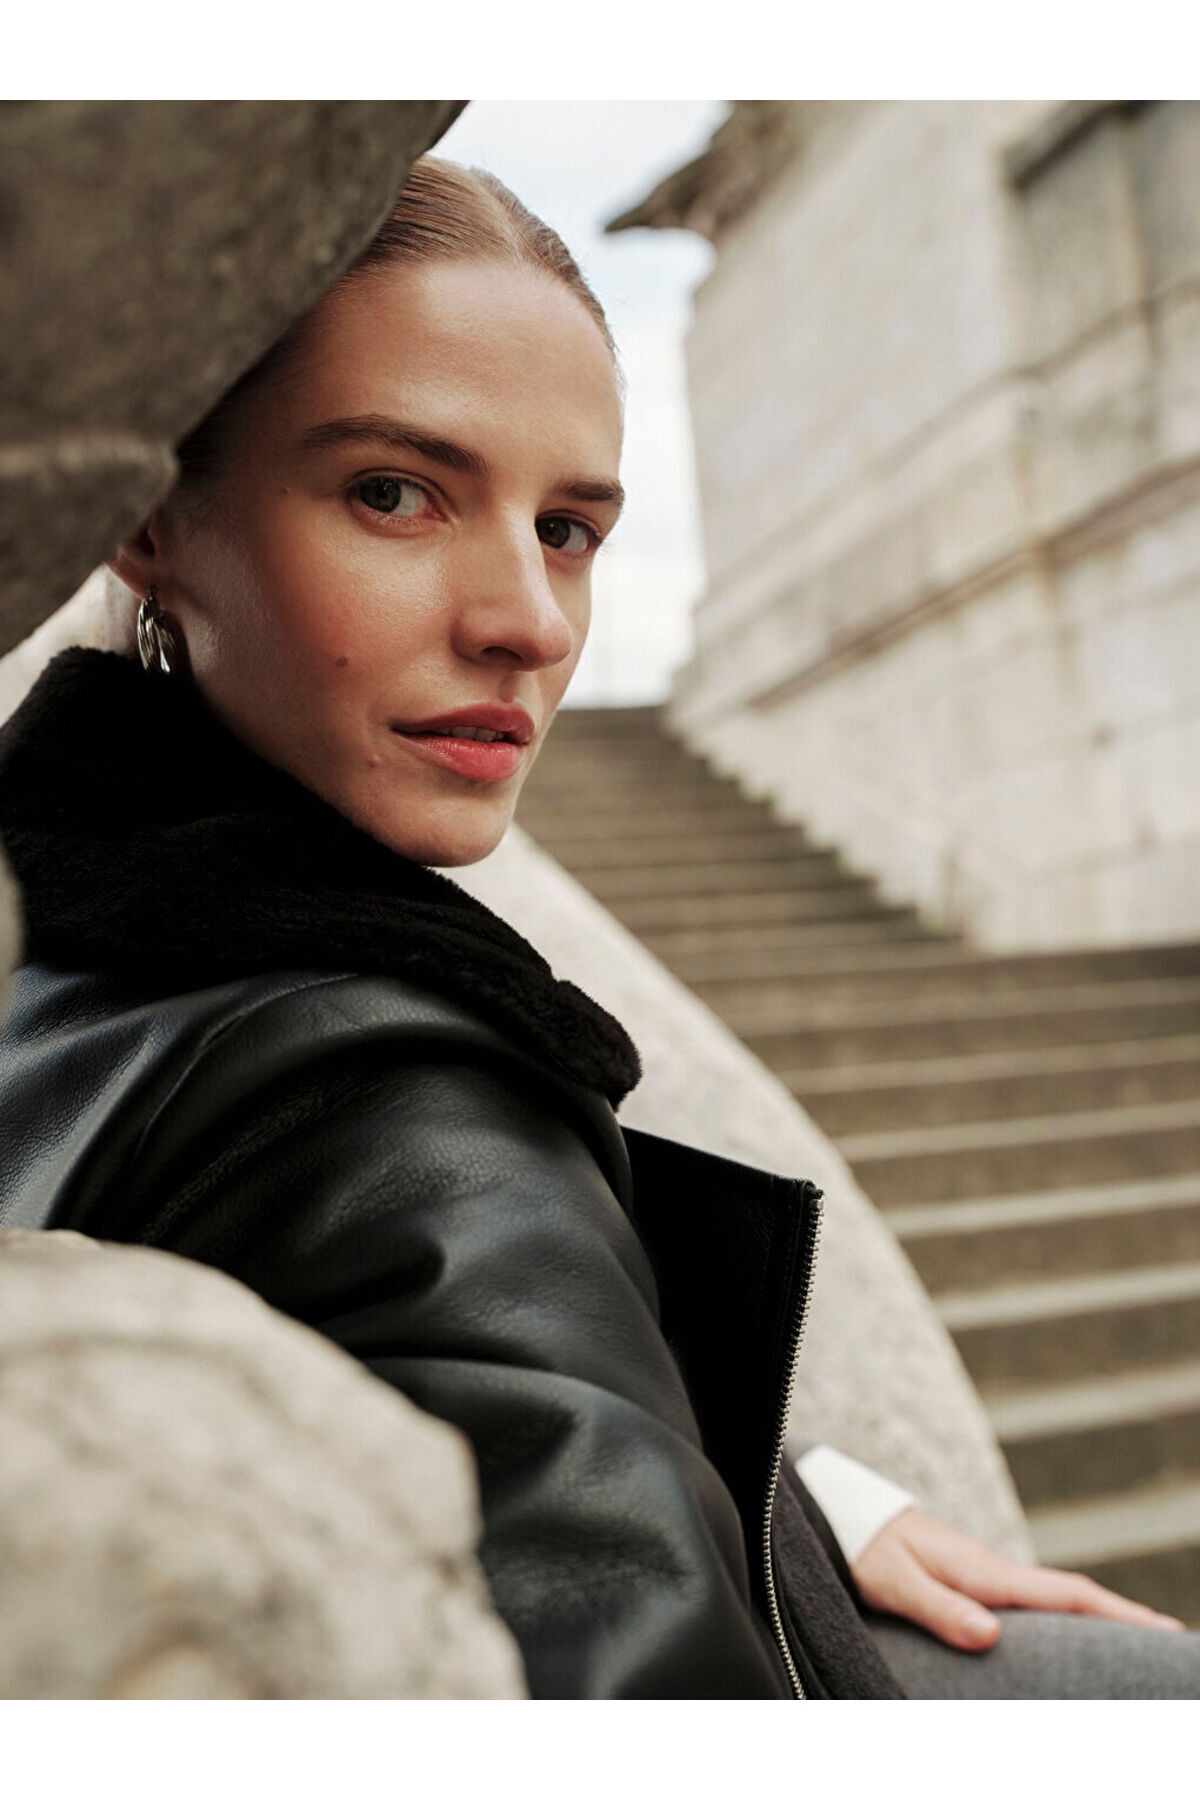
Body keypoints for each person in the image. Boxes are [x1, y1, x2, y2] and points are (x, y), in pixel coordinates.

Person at [0, 156, 1195, 1699]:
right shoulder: (387, 1095)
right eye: (394, 492)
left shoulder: (70, 941)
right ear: (146, 516)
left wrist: (769, 1491)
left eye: (567, 527)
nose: (532, 622)